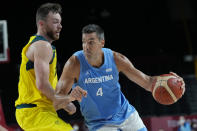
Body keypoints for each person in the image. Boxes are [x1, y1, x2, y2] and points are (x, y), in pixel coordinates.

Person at [54, 24, 185, 131]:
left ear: (102, 43)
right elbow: (55, 102)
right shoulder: (74, 64)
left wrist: (170, 82)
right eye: (83, 42)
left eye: (91, 42)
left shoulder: (117, 59)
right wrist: (70, 97)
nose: (86, 47)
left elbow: (148, 82)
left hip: (126, 115)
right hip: (99, 123)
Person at [15, 3, 87, 131]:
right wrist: (69, 97)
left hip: (37, 112)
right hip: (36, 113)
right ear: (41, 24)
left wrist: (66, 104)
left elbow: (44, 91)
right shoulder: (43, 46)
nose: (60, 26)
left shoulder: (39, 45)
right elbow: (42, 85)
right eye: (55, 22)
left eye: (60, 22)